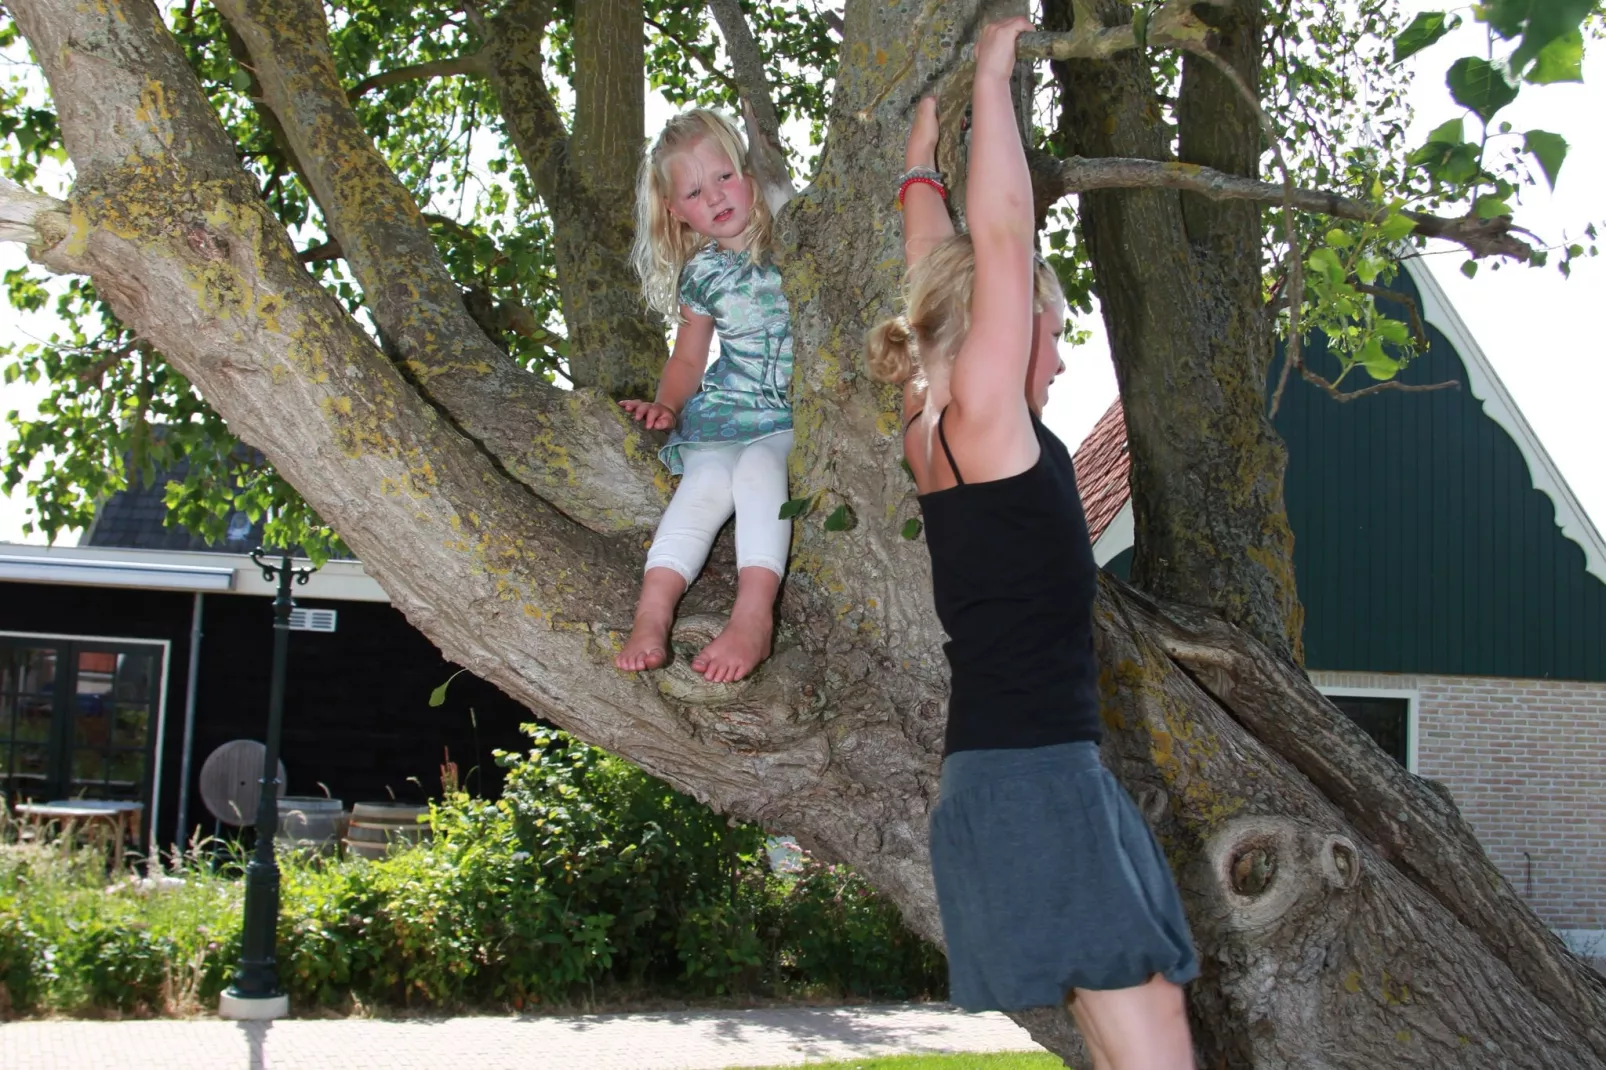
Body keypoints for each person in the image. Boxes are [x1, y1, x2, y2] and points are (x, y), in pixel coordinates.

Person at [863, 18, 1198, 1070]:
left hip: (1023, 771)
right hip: (1036, 776)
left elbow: (945, 277)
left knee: (1127, 1036)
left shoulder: (935, 424)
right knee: (1155, 1041)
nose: (1057, 349)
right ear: (1004, 335)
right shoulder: (986, 423)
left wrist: (920, 173)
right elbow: (1001, 241)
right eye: (1049, 327)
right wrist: (998, 77)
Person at [617, 109, 793, 684]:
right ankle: (652, 612)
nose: (715, 197)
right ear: (675, 211)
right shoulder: (703, 275)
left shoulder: (797, 239)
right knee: (705, 483)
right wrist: (667, 405)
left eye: (723, 176)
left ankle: (752, 615)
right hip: (724, 412)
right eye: (694, 191)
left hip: (791, 415)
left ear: (748, 169)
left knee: (760, 470)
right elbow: (689, 358)